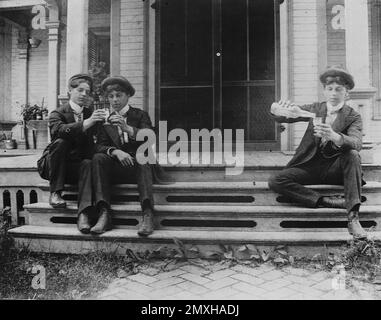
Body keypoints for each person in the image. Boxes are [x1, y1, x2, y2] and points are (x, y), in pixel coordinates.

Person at [268, 66, 367, 239]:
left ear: (347, 92)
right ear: (324, 91)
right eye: (330, 89)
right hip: (310, 167)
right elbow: (287, 115)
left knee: (352, 155)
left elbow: (356, 143)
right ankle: (324, 200)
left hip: (336, 169)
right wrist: (276, 109)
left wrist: (335, 136)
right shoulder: (315, 109)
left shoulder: (353, 116)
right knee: (276, 180)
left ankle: (353, 218)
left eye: (339, 89)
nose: (334, 94)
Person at [91, 76, 166, 236]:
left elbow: (150, 137)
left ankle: (147, 213)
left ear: (128, 96)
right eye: (111, 96)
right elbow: (100, 145)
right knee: (98, 158)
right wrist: (116, 151)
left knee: (143, 154)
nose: (115, 100)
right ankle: (104, 213)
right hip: (118, 167)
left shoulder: (140, 115)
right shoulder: (106, 120)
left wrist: (128, 128)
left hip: (140, 167)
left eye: (119, 95)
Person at [47, 74, 107, 233]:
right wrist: (88, 123)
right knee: (61, 142)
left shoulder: (90, 113)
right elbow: (60, 131)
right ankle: (55, 192)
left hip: (79, 167)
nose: (84, 94)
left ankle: (83, 214)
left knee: (88, 163)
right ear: (69, 91)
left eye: (87, 92)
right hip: (57, 166)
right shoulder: (57, 113)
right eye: (80, 90)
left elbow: (97, 142)